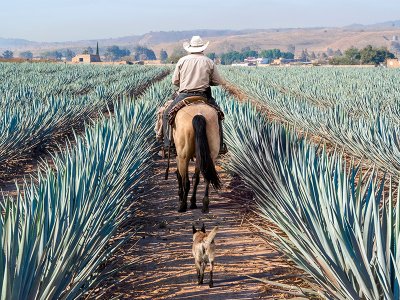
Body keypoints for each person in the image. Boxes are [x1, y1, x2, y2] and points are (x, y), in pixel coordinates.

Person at [158, 35, 227, 154]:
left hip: (184, 95)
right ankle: (220, 145)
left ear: (190, 48)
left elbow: (175, 81)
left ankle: (168, 144)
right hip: (204, 95)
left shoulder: (182, 60)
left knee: (166, 114)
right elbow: (217, 81)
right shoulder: (209, 61)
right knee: (219, 115)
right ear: (202, 49)